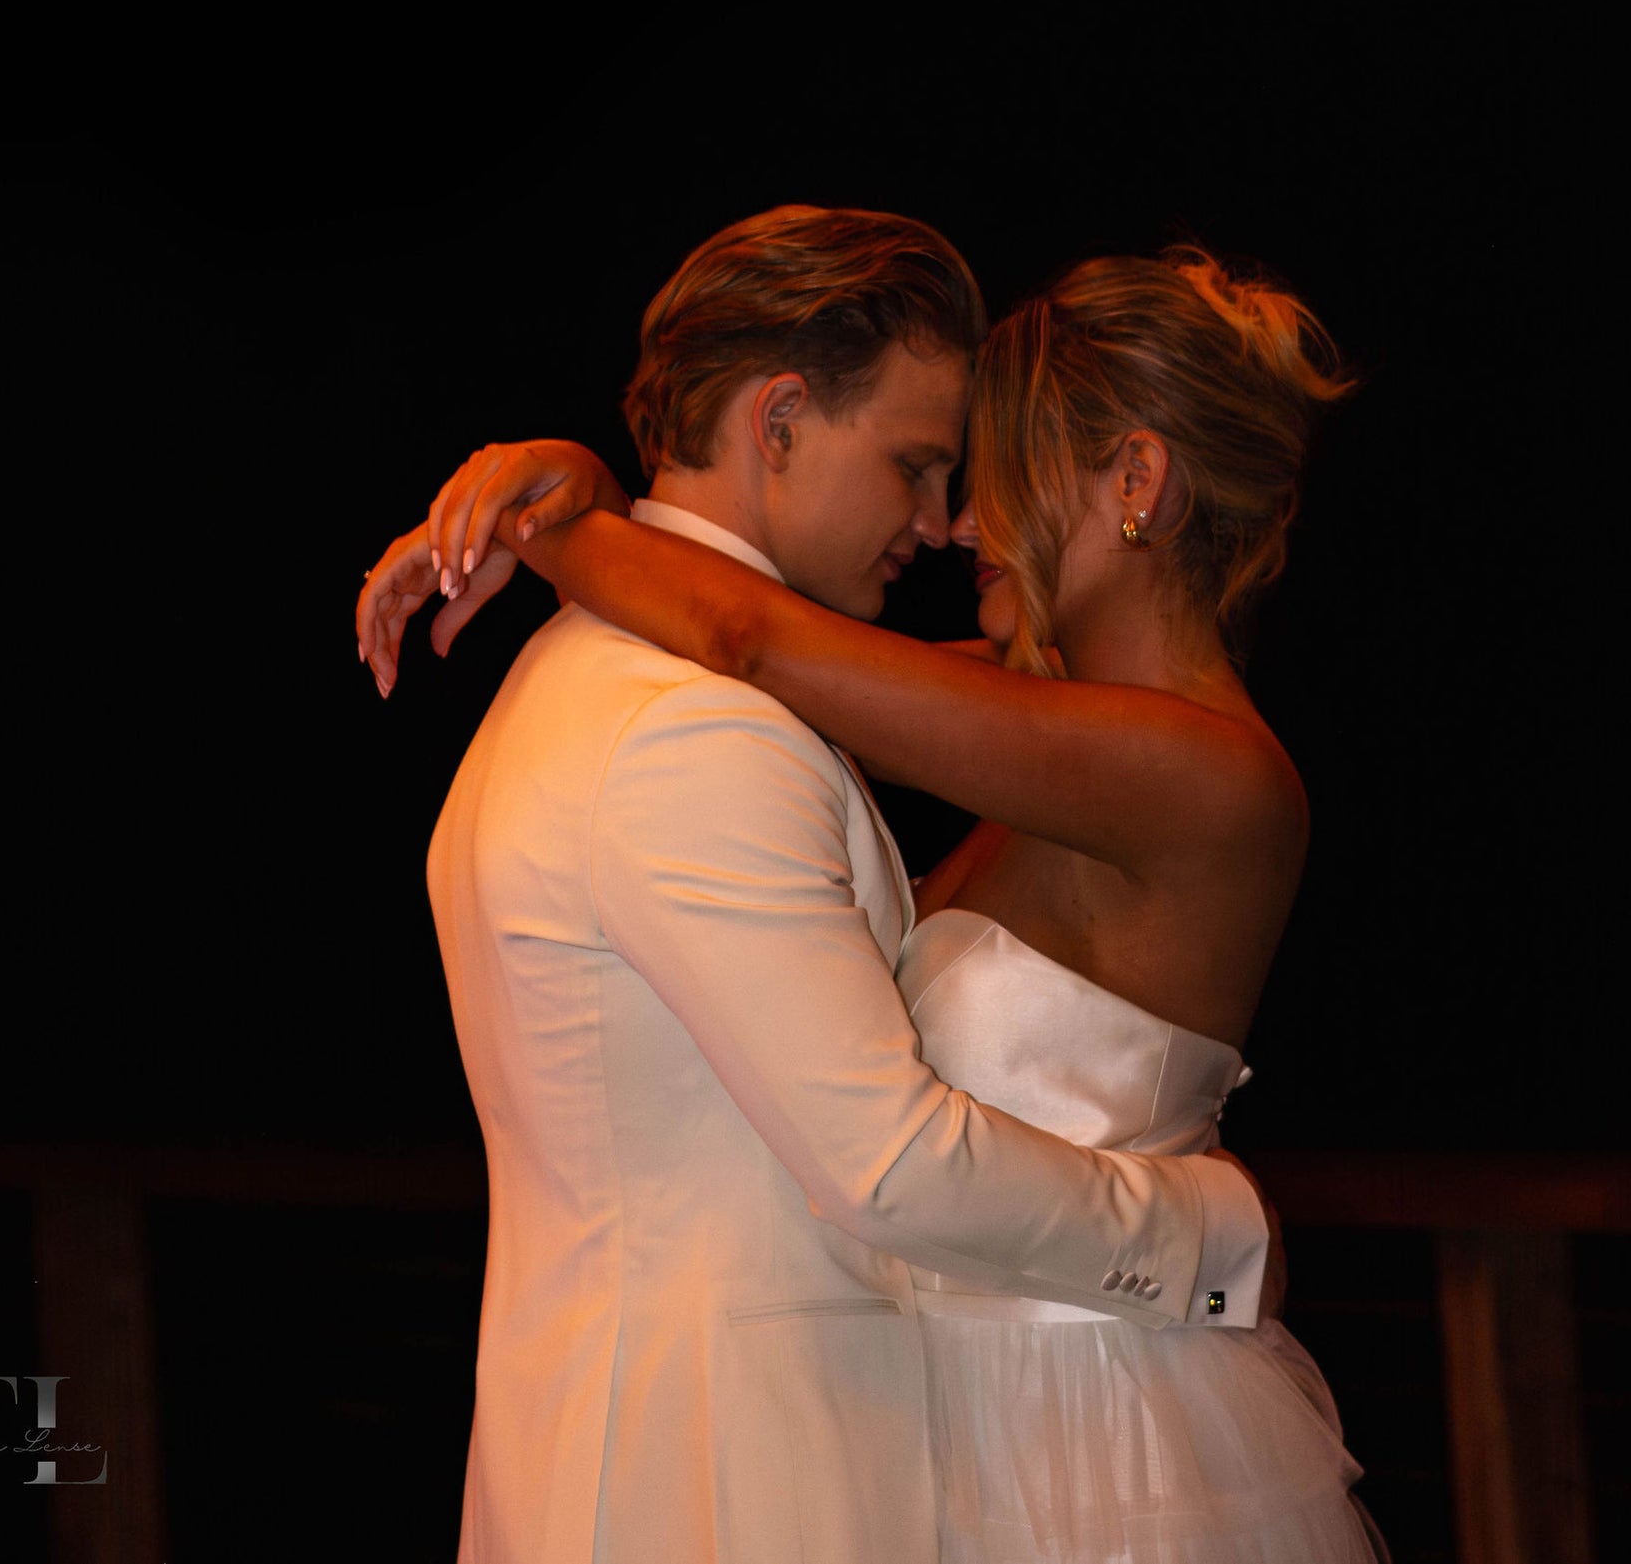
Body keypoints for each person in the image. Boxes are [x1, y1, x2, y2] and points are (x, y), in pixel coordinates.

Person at [358, 208, 1285, 1564]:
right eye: (921, 463)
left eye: (984, 473)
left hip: (1040, 1442)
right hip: (733, 1483)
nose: (951, 519)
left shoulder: (1125, 753)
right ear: (780, 417)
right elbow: (889, 1162)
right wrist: (1218, 1234)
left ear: (1137, 479)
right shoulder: (691, 721)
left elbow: (755, 633)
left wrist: (575, 515)